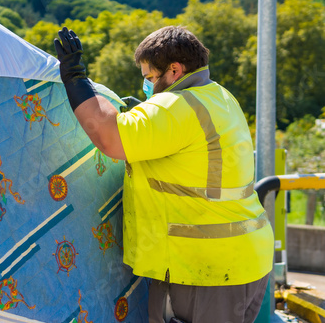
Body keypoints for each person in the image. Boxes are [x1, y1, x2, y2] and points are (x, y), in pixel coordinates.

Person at [54, 26, 274, 323]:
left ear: (174, 70)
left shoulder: (178, 106)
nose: (147, 87)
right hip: (244, 260)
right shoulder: (219, 96)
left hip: (201, 269)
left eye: (149, 78)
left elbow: (108, 136)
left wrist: (75, 78)